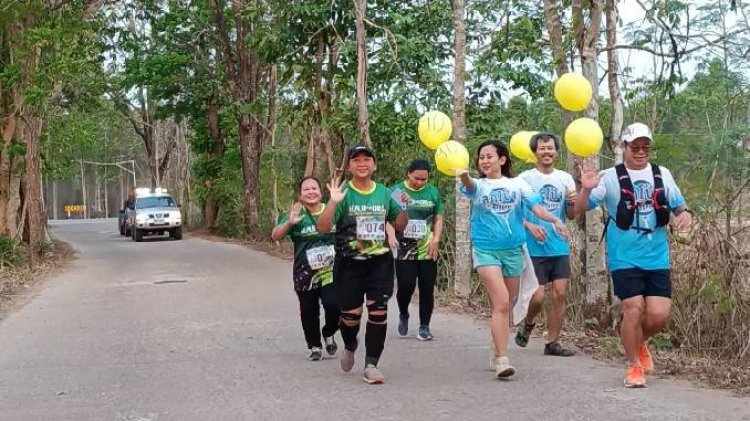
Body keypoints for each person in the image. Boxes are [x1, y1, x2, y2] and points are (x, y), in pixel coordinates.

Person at [574, 122, 692, 388]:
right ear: (623, 147)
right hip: (624, 255)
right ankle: (633, 366)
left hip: (657, 255)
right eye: (635, 147)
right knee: (633, 308)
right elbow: (578, 210)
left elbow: (681, 207)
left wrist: (684, 216)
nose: (640, 152)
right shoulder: (609, 176)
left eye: (645, 147)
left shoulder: (663, 174)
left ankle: (638, 343)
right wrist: (586, 188)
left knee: (659, 315)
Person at [457, 139, 567, 379]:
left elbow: (537, 207)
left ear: (502, 160)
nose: (484, 161)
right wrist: (464, 176)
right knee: (502, 302)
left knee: (510, 302)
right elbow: (469, 187)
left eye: (489, 156)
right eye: (481, 157)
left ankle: (496, 345)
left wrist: (555, 220)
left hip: (513, 251)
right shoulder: (479, 185)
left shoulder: (518, 184)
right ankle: (502, 360)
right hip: (486, 250)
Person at [317, 145, 409, 384]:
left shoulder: (387, 193)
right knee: (350, 317)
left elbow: (399, 225)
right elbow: (323, 227)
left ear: (374, 165)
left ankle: (371, 365)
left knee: (378, 312)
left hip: (379, 263)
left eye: (367, 159)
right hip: (349, 264)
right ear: (350, 166)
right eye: (356, 160)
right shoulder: (343, 192)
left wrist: (405, 208)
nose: (362, 163)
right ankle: (350, 344)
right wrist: (333, 203)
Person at [515, 133, 577, 357]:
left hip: (558, 244)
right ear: (534, 152)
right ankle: (529, 323)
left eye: (551, 148)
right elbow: (513, 213)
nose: (547, 152)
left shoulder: (565, 178)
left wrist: (572, 203)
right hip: (532, 246)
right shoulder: (524, 178)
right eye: (542, 149)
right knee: (538, 296)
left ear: (556, 151)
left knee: (560, 293)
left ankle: (552, 342)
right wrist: (529, 227)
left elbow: (571, 214)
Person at [271, 177, 340, 361]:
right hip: (305, 272)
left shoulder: (332, 210)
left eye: (314, 188)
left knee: (335, 305)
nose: (311, 192)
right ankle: (315, 345)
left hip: (331, 271)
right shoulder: (297, 214)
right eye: (306, 189)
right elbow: (275, 235)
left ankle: (328, 332)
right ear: (300, 195)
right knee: (309, 310)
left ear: (321, 191)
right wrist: (289, 223)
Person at [385, 159, 444, 341]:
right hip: (404, 248)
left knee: (427, 287)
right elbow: (387, 218)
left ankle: (424, 326)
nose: (420, 182)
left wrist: (436, 239)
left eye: (424, 180)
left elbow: (438, 217)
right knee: (406, 286)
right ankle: (404, 313)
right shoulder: (395, 192)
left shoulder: (433, 192)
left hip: (427, 247)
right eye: (416, 178)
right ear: (408, 174)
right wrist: (392, 235)